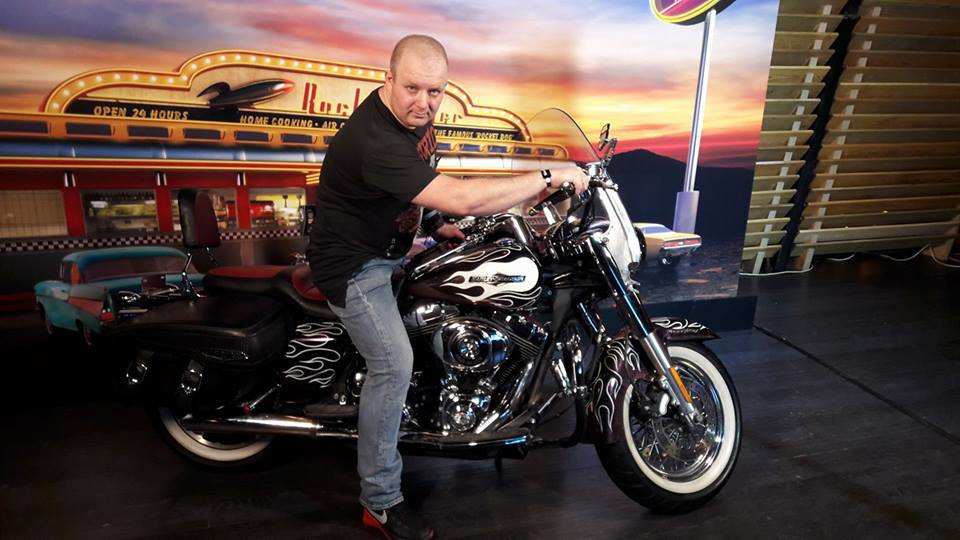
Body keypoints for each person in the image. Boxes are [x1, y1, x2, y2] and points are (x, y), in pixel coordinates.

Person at [307, 34, 589, 540]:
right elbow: (463, 197)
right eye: (412, 88)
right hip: (354, 265)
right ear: (388, 79)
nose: (424, 102)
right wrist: (548, 175)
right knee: (394, 364)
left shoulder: (410, 119)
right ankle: (380, 502)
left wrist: (436, 224)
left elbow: (418, 183)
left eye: (435, 91)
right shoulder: (374, 139)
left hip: (390, 250)